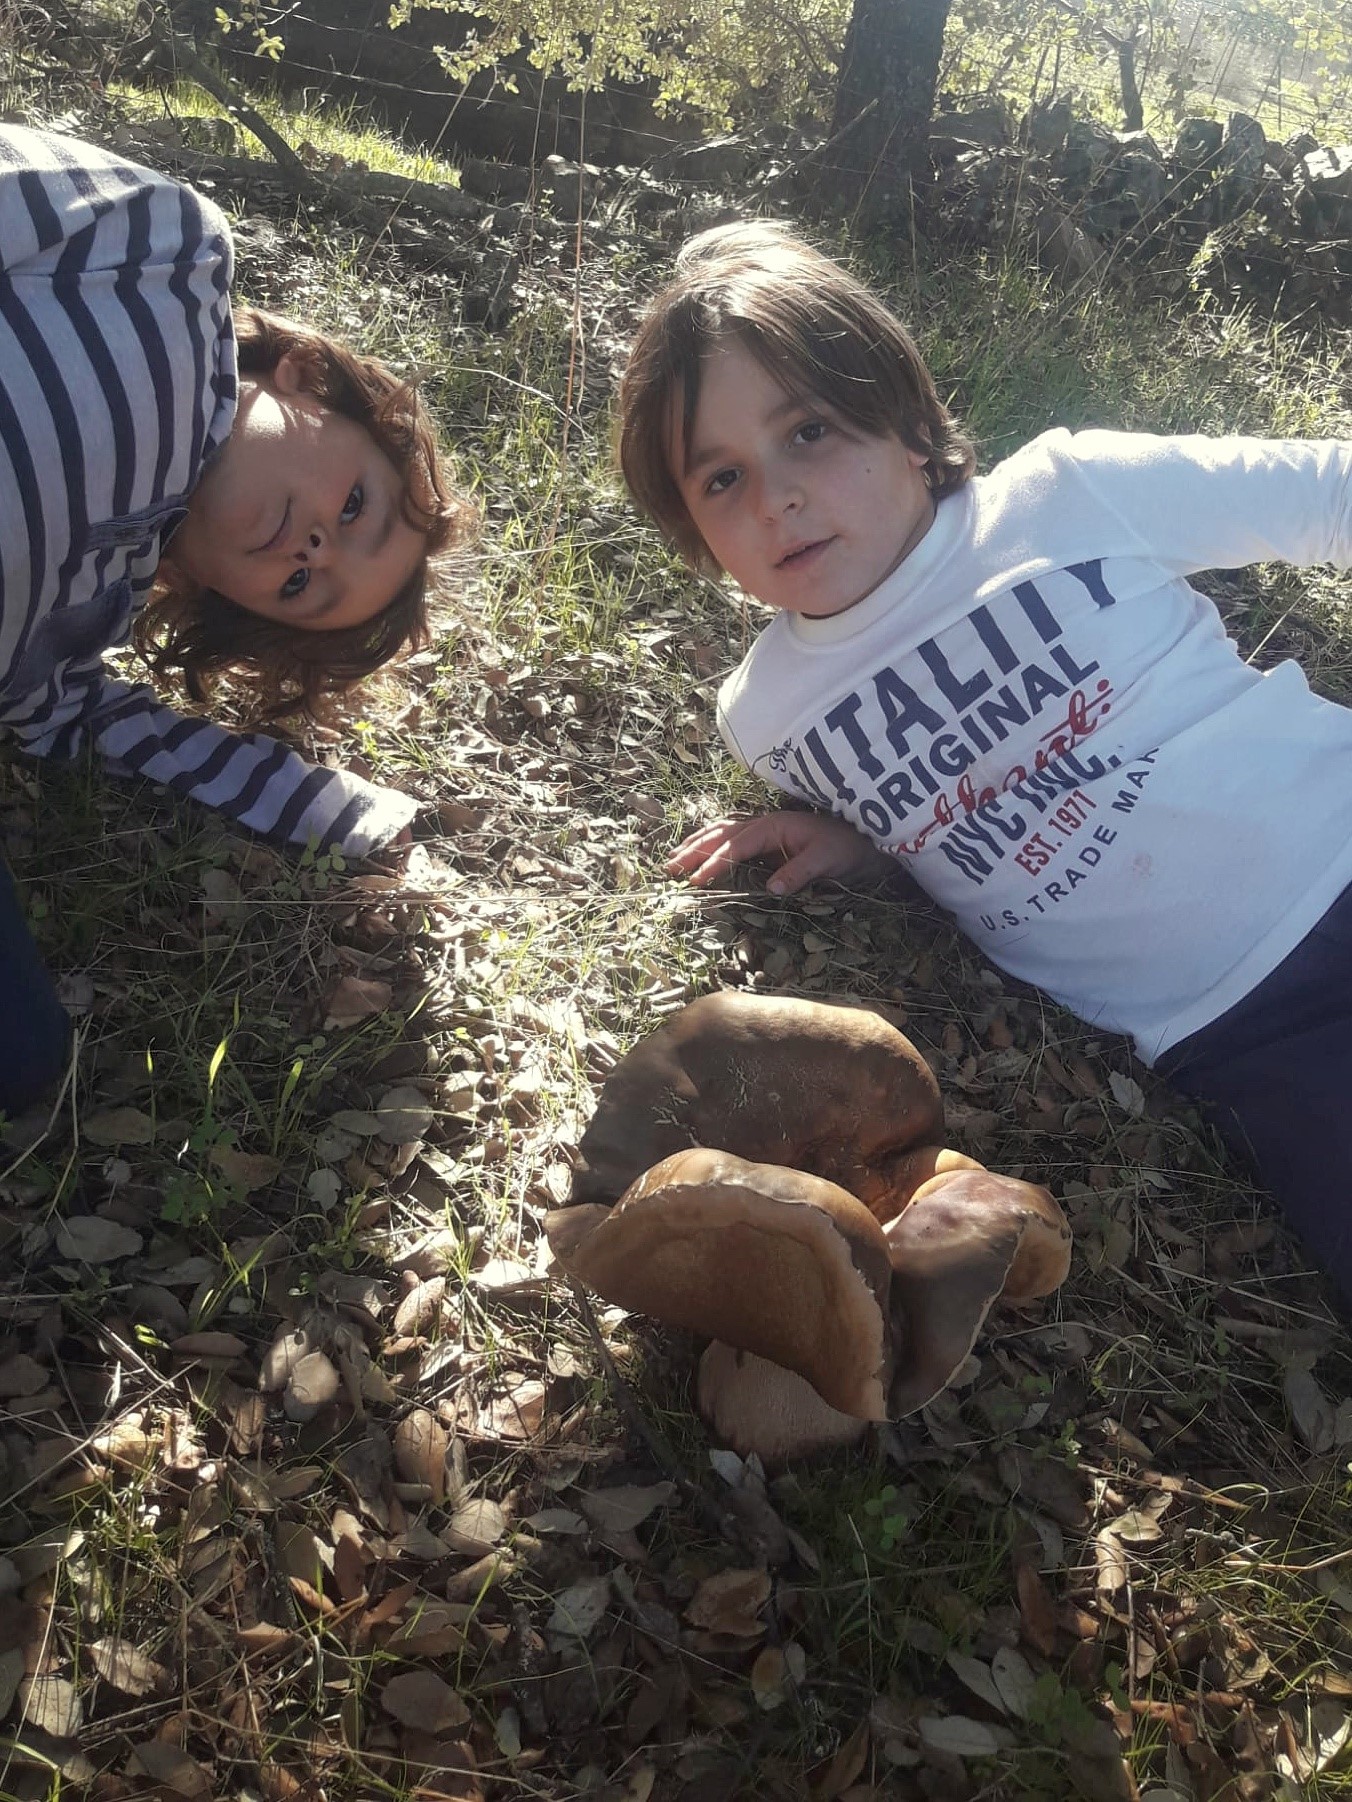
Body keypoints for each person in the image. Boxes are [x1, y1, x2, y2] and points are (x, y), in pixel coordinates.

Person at [618, 218, 1352, 1309]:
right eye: (719, 478)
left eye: (809, 430)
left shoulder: (1066, 494)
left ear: (909, 425)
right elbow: (938, 816)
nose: (773, 495)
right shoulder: (766, 712)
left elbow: (1324, 492)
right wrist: (851, 843)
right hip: (1231, 1031)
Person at [0, 122, 473, 1112]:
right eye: (354, 505)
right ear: (306, 381)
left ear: (231, 604)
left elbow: (85, 721)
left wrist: (329, 807)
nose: (315, 551)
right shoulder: (168, 256)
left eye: (307, 588)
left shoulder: (88, 611)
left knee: (25, 1053)